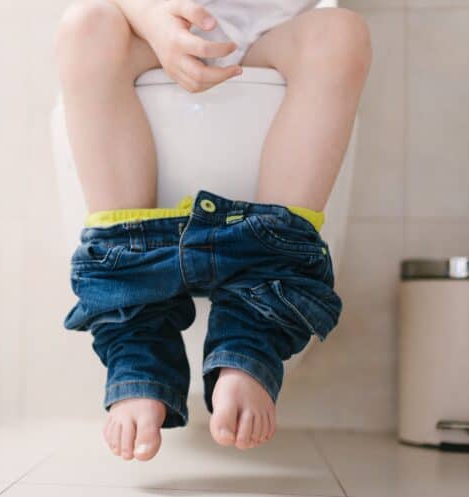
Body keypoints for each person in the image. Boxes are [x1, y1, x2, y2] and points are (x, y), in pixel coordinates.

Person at [56, 0, 371, 461]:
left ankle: (254, 328)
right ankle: (139, 344)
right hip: (148, 28)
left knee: (342, 34)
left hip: (276, 34)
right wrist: (152, 23)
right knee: (84, 27)